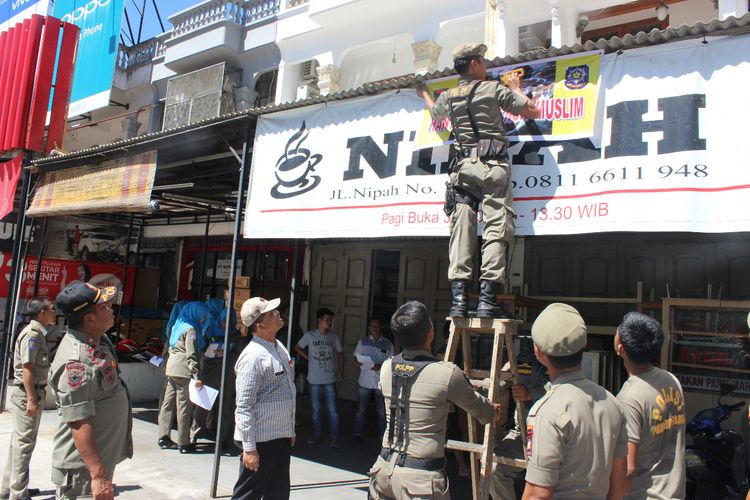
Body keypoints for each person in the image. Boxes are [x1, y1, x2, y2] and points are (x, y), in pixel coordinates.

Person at [417, 42, 540, 319]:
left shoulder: (448, 96)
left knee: (461, 228)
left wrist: (424, 93)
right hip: (492, 165)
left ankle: (459, 300)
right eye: (483, 61)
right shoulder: (492, 89)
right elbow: (531, 110)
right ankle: (487, 300)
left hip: (462, 168)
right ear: (473, 64)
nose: (486, 65)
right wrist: (515, 85)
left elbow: (434, 112)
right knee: (496, 226)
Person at [368, 301, 501, 499]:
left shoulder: (387, 367)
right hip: (419, 481)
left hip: (383, 471)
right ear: (429, 333)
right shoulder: (446, 373)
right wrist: (495, 409)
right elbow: (486, 413)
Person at [522, 303, 627, 499]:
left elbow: (537, 493)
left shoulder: (546, 412)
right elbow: (619, 481)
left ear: (538, 353)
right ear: (584, 344)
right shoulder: (612, 403)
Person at [48, 283, 132, 499]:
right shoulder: (77, 362)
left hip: (98, 462)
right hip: (83, 471)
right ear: (90, 319)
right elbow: (78, 421)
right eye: (104, 306)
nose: (111, 308)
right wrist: (98, 476)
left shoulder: (96, 340)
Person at [614, 312, 686, 499]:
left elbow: (628, 469)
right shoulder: (671, 380)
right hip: (674, 493)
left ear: (620, 348)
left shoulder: (629, 398)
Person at [233, 297, 296, 500]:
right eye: (271, 313)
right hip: (260, 439)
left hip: (280, 437)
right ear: (260, 324)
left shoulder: (279, 347)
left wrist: (289, 430)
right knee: (248, 494)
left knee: (278, 492)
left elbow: (288, 388)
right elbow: (244, 406)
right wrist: (249, 448)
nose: (278, 313)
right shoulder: (252, 357)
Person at [0, 297, 57, 500]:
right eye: (51, 309)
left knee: (19, 443)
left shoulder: (38, 333)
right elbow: (28, 370)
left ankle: (9, 488)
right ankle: (18, 493)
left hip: (30, 394)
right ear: (41, 312)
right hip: (27, 395)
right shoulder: (32, 335)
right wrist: (32, 399)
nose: (55, 312)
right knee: (24, 445)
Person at [490, 348, 549, 499]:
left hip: (549, 435)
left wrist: (531, 393)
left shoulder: (560, 363)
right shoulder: (524, 361)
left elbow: (559, 389)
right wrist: (479, 384)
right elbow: (500, 381)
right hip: (522, 433)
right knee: (493, 468)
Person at [157, 300, 210, 453]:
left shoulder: (177, 325)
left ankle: (163, 436)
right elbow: (191, 354)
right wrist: (196, 375)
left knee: (168, 403)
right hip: (183, 370)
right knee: (183, 407)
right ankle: (184, 442)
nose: (204, 319)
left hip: (171, 368)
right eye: (203, 316)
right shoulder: (192, 329)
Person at [294, 307, 344, 448]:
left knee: (333, 411)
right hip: (314, 379)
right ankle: (317, 434)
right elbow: (297, 347)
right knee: (316, 410)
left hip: (329, 379)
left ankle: (335, 438)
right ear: (319, 320)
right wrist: (309, 358)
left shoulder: (333, 337)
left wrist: (340, 371)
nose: (329, 322)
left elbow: (341, 353)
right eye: (327, 320)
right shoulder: (310, 335)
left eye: (330, 320)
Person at [192, 298, 228, 443]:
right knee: (205, 399)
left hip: (220, 368)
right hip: (208, 365)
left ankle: (209, 427)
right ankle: (197, 430)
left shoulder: (229, 329)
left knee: (215, 399)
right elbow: (202, 343)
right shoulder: (210, 324)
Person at [353, 318, 394, 442]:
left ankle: (383, 435)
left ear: (381, 327)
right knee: (361, 409)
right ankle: (358, 433)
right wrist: (364, 365)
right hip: (364, 381)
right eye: (372, 325)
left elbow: (392, 363)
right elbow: (355, 360)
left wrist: (380, 366)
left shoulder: (388, 344)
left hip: (380, 382)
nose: (374, 328)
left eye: (377, 325)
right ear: (369, 328)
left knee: (382, 411)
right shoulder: (363, 342)